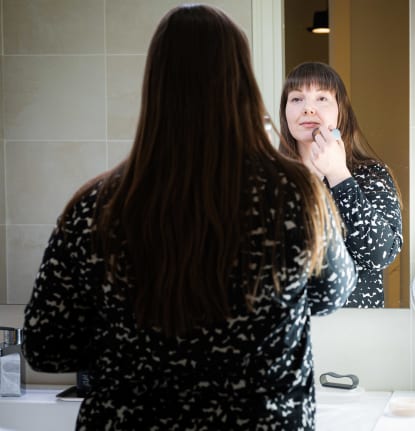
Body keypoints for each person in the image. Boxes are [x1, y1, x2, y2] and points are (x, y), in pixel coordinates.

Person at [22, 5, 356, 430]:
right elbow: (332, 295)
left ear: (156, 88)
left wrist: (133, 339)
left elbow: (47, 345)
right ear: (243, 85)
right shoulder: (293, 195)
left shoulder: (96, 207)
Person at [279, 62, 403, 308]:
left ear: (340, 110)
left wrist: (338, 175)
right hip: (288, 331)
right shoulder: (270, 180)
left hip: (355, 333)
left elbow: (379, 255)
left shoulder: (371, 175)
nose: (308, 109)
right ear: (285, 112)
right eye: (296, 99)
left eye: (322, 98)